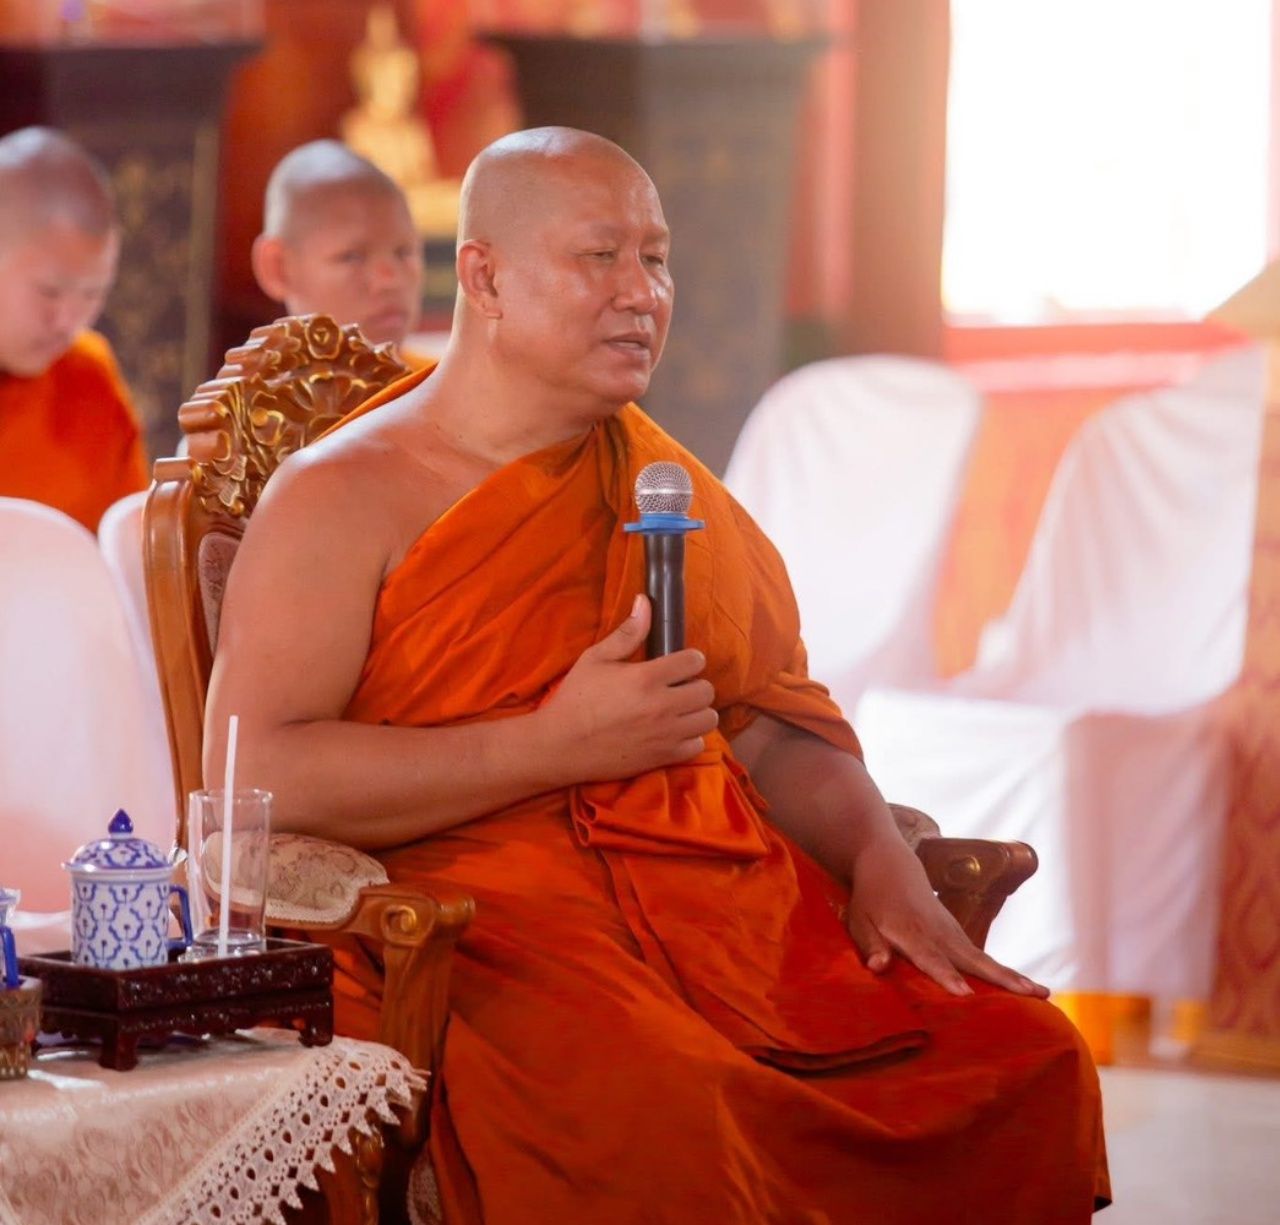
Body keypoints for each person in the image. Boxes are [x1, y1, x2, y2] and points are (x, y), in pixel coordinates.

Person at [208, 127, 1109, 1223]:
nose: (642, 292)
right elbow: (257, 774)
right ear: (484, 278)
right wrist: (551, 747)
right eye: (601, 257)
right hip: (496, 937)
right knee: (679, 1113)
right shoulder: (344, 495)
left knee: (1025, 1058)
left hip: (729, 918)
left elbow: (763, 721)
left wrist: (880, 857)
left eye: (656, 257)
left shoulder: (661, 484)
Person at [0, 127, 147, 532]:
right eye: (49, 292)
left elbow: (133, 545)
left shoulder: (88, 374)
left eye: (93, 294)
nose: (69, 322)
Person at [251, 140, 428, 360]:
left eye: (404, 252)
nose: (389, 281)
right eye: (352, 257)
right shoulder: (254, 383)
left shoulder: (447, 379)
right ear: (278, 268)